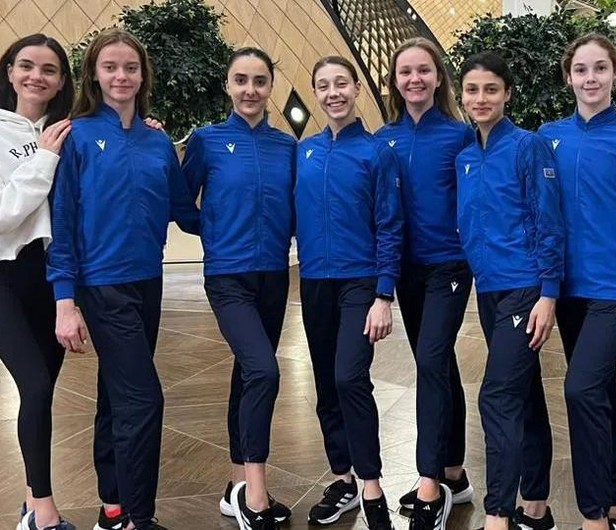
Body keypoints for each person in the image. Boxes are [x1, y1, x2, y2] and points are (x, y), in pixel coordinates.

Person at [47, 28, 200, 530]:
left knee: (117, 396)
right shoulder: (77, 136)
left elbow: (184, 212)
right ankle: (139, 517)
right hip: (102, 285)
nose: (121, 76)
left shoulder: (158, 141)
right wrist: (65, 300)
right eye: (110, 67)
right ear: (93, 74)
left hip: (148, 282)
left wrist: (250, 219)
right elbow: (63, 221)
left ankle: (113, 506)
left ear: (142, 76)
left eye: (130, 68)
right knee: (143, 398)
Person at [538, 32, 616, 530]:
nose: (590, 78)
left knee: (580, 388)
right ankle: (614, 500)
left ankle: (593, 515)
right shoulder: (549, 137)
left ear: (614, 73)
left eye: (600, 68)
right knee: (601, 390)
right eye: (581, 69)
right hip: (568, 287)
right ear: (568, 77)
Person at [181, 47, 295, 530]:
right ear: (228, 85)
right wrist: (214, 230)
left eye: (259, 81)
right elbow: (180, 201)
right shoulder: (207, 141)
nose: (250, 89)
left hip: (274, 275)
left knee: (247, 374)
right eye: (241, 80)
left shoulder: (287, 146)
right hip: (227, 277)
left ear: (270, 87)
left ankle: (235, 486)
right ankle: (256, 495)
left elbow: (297, 205)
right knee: (264, 371)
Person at [455, 51, 564, 530]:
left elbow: (549, 220)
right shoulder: (465, 156)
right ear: (461, 95)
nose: (481, 98)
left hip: (525, 288)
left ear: (507, 94)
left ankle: (498, 513)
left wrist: (548, 293)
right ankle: (535, 505)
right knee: (525, 392)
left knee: (496, 396)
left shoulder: (528, 147)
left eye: (491, 89)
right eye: (472, 90)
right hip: (489, 289)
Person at [295, 55, 403, 530]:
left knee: (349, 377)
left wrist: (384, 294)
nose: (333, 92)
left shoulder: (377, 153)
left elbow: (390, 224)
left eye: (341, 83)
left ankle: (372, 485)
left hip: (360, 282)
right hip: (315, 281)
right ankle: (342, 479)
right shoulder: (304, 151)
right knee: (325, 382)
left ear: (357, 88)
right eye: (324, 85)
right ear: (316, 93)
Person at [374, 37, 475, 530]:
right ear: (395, 82)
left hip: (449, 268)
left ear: (438, 78)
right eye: (405, 72)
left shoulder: (460, 136)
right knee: (438, 364)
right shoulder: (383, 139)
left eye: (424, 70)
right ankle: (455, 471)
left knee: (432, 360)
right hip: (407, 271)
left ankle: (430, 482)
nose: (415, 79)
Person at [0, 33, 75, 530]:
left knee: (41, 392)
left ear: (62, 81)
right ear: (9, 72)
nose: (36, 76)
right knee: (36, 383)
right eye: (26, 65)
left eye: (49, 69)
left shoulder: (70, 131)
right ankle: (44, 513)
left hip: (50, 278)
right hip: (3, 275)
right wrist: (43, 159)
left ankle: (32, 503)